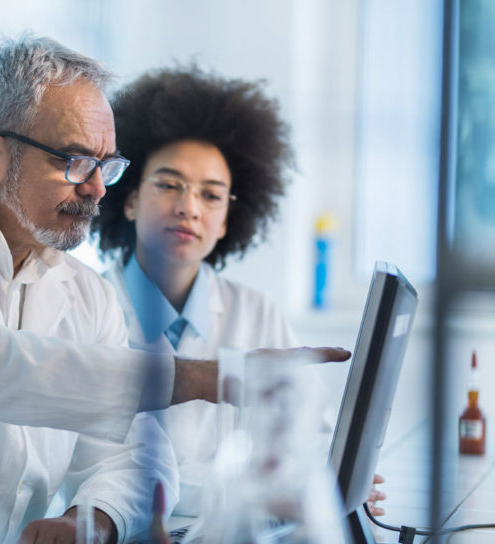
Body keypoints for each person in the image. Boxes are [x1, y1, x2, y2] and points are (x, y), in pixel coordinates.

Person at [0, 36, 349, 543]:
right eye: (76, 162)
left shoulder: (82, 291)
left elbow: (136, 454)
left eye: (108, 165)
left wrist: (91, 518)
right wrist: (203, 377)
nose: (97, 189)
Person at [91, 66, 386, 519]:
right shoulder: (87, 306)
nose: (189, 207)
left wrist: (336, 479)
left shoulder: (256, 313)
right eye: (169, 185)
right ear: (128, 199)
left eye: (211, 196)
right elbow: (104, 470)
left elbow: (314, 439)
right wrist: (266, 490)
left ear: (228, 220)